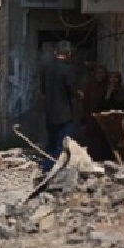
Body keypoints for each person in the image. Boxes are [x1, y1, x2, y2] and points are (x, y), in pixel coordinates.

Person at [40, 41, 80, 171]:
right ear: (68, 54)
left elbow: (43, 91)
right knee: (63, 146)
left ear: (56, 52)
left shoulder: (47, 69)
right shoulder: (68, 69)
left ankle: (47, 169)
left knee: (51, 145)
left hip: (50, 114)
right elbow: (72, 91)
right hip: (65, 115)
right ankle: (58, 172)